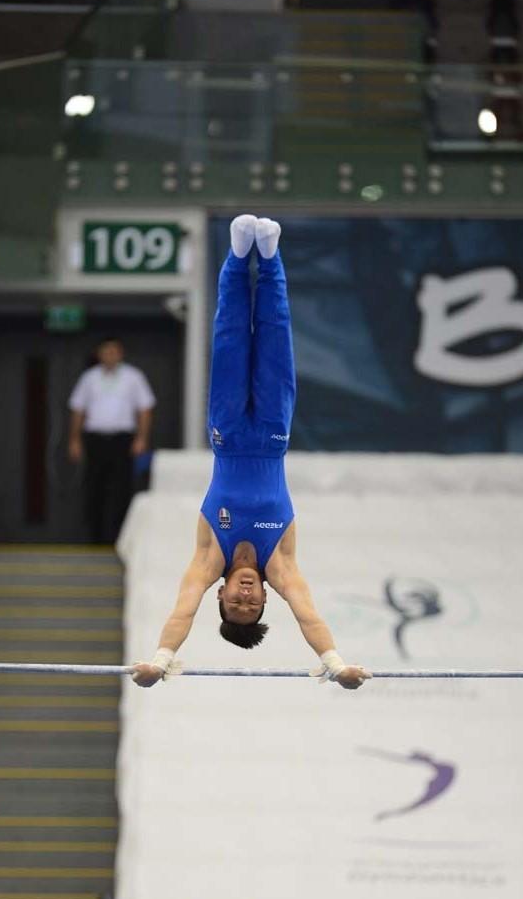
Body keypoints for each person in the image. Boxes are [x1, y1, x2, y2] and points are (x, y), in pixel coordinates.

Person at [132, 216, 371, 690]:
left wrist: (159, 662)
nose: (244, 597)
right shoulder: (280, 564)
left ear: (218, 595)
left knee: (231, 338)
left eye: (234, 604)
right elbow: (308, 615)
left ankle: (239, 256)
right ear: (265, 597)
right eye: (253, 604)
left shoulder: (208, 561)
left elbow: (182, 610)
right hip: (272, 435)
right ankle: (272, 256)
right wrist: (336, 665)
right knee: (275, 336)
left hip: (227, 434)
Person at [68, 336, 156, 544]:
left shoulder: (133, 377)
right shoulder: (89, 378)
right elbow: (78, 410)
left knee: (122, 490)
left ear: (120, 353)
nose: (110, 355)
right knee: (93, 488)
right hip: (95, 440)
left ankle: (120, 540)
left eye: (114, 351)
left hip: (122, 441)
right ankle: (94, 540)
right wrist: (75, 440)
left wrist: (141, 438)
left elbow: (145, 409)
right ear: (99, 354)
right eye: (106, 351)